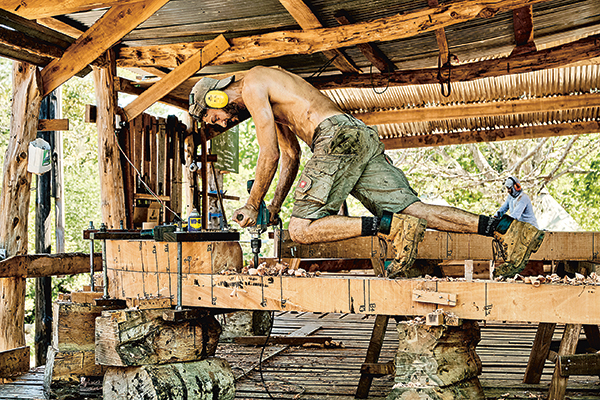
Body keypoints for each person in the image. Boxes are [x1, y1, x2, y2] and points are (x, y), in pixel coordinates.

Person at [189, 66, 545, 278]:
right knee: (413, 210)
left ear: (215, 97)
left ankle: (387, 226)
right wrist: (275, 206)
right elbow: (289, 156)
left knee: (301, 230)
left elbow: (265, 153)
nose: (220, 123)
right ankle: (505, 230)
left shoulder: (251, 84)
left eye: (212, 117)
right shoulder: (269, 97)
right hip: (357, 135)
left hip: (334, 136)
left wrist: (252, 204)